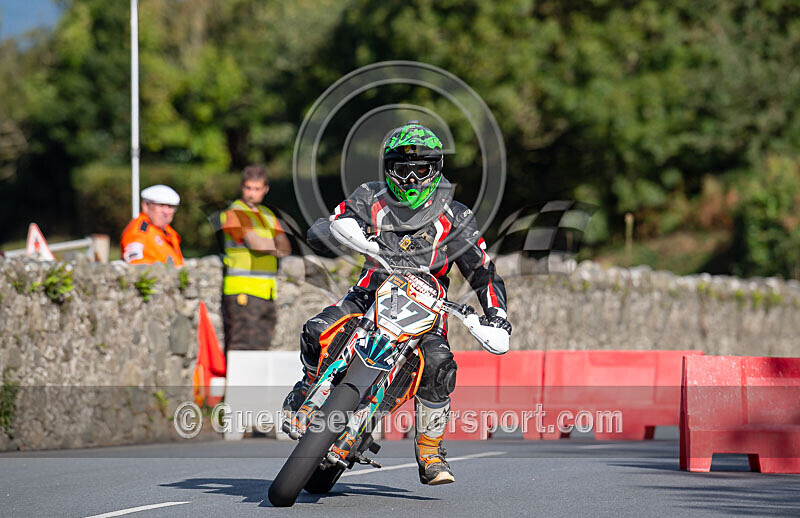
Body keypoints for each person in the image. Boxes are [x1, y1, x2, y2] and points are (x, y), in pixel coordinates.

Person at [283, 122, 512, 486]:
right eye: (400, 168)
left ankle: (430, 448)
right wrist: (329, 233)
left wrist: (497, 316)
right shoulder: (369, 198)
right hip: (370, 290)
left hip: (427, 308)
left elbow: (482, 270)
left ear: (435, 170)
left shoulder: (456, 217)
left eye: (420, 169)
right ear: (387, 169)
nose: (409, 177)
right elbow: (333, 223)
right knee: (317, 328)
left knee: (440, 364)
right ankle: (307, 385)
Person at [220, 165, 291, 351]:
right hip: (242, 291)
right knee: (242, 348)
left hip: (266, 293)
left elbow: (286, 248)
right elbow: (257, 245)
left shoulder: (267, 214)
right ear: (242, 187)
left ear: (265, 189)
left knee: (261, 351)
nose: (252, 193)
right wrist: (270, 242)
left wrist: (264, 243)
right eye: (248, 188)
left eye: (257, 188)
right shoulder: (235, 213)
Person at [121, 184, 184, 266]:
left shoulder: (168, 231)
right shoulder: (138, 232)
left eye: (170, 207)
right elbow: (137, 267)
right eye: (161, 205)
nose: (166, 212)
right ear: (146, 206)